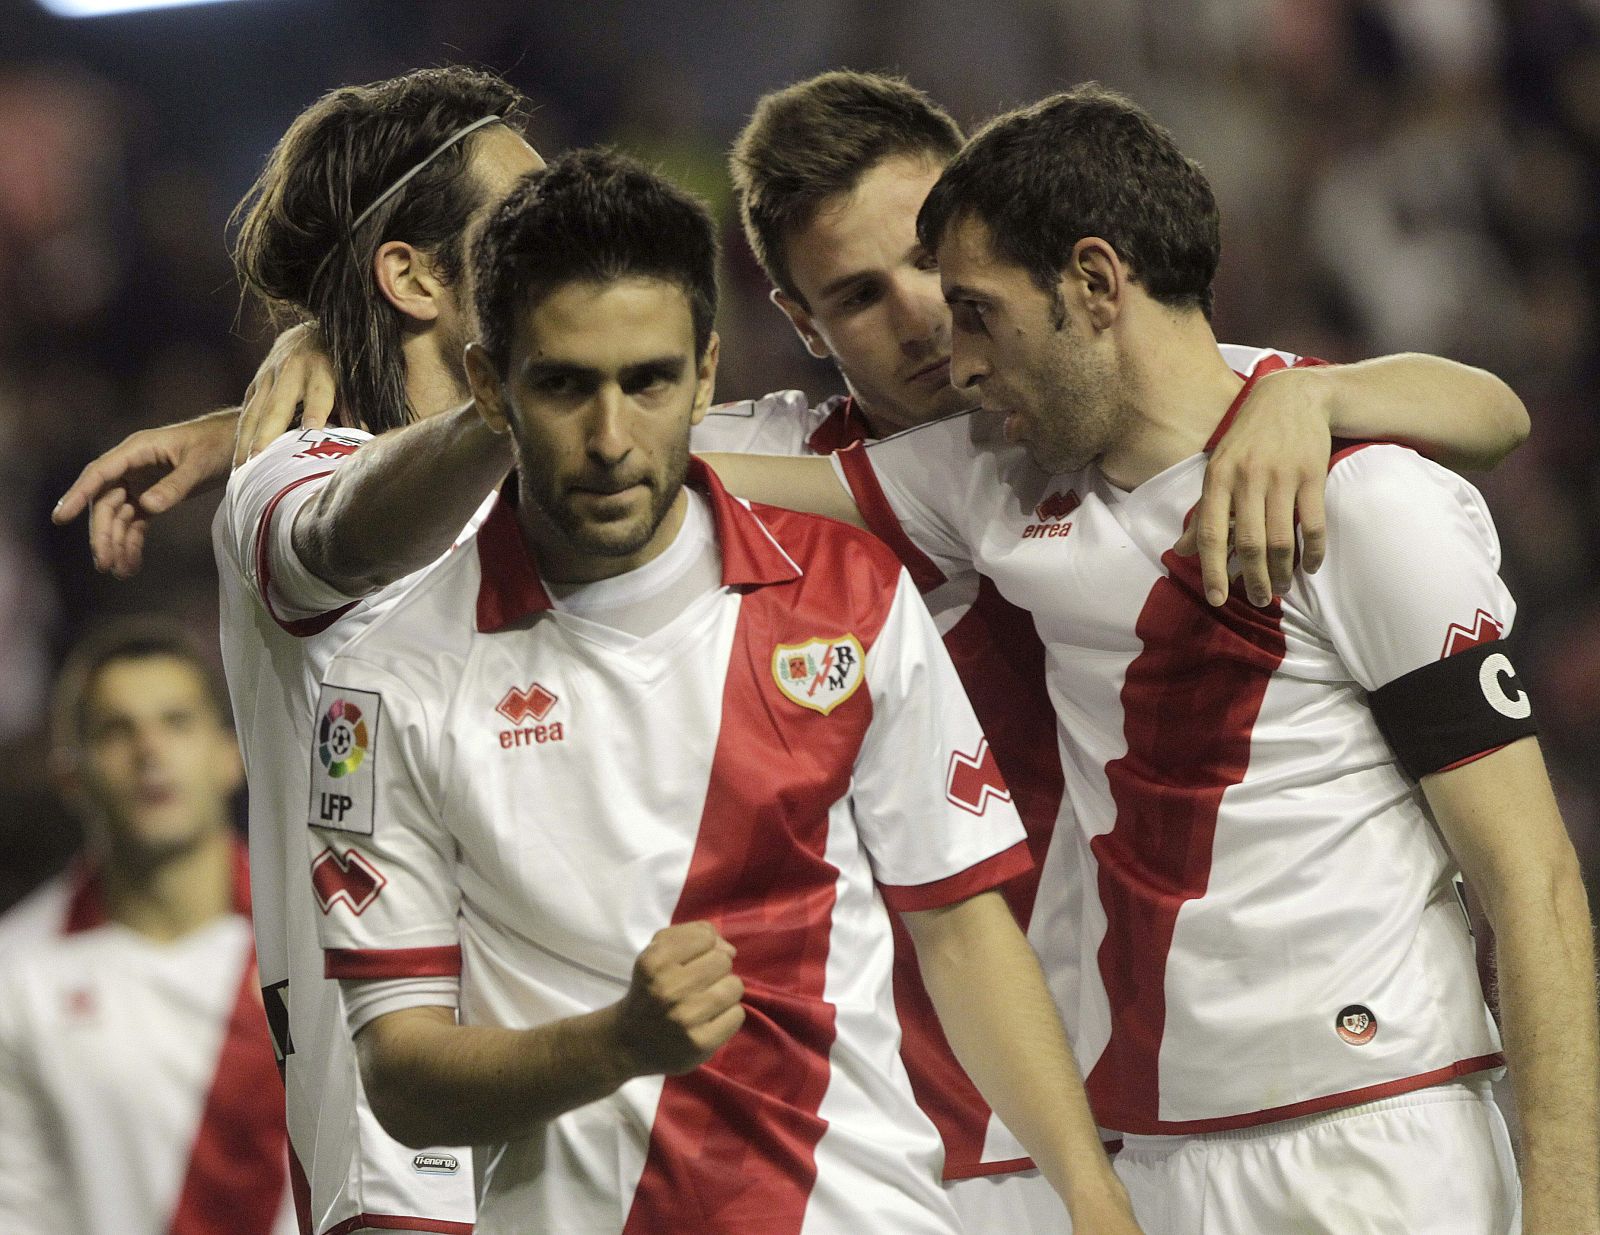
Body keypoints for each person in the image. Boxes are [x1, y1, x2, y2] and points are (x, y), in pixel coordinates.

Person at [724, 84, 1596, 1233]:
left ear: (1093, 284)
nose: (951, 347)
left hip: (1374, 1134)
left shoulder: (1356, 496)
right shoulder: (988, 479)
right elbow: (673, 486)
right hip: (1151, 1158)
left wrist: (1567, 1210)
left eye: (973, 307)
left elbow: (1530, 883)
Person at [307, 147, 1142, 1235]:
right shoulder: (380, 686)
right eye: (564, 384)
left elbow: (961, 930)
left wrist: (1091, 1195)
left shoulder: (847, 593)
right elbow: (402, 1076)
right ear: (486, 386)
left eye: (648, 381)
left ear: (705, 374)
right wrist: (620, 1043)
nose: (611, 440)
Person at [0, 620, 295, 1235]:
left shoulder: (319, 936)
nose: (149, 752)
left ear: (231, 754)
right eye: (116, 730)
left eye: (177, 722)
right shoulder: (14, 973)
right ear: (69, 775)